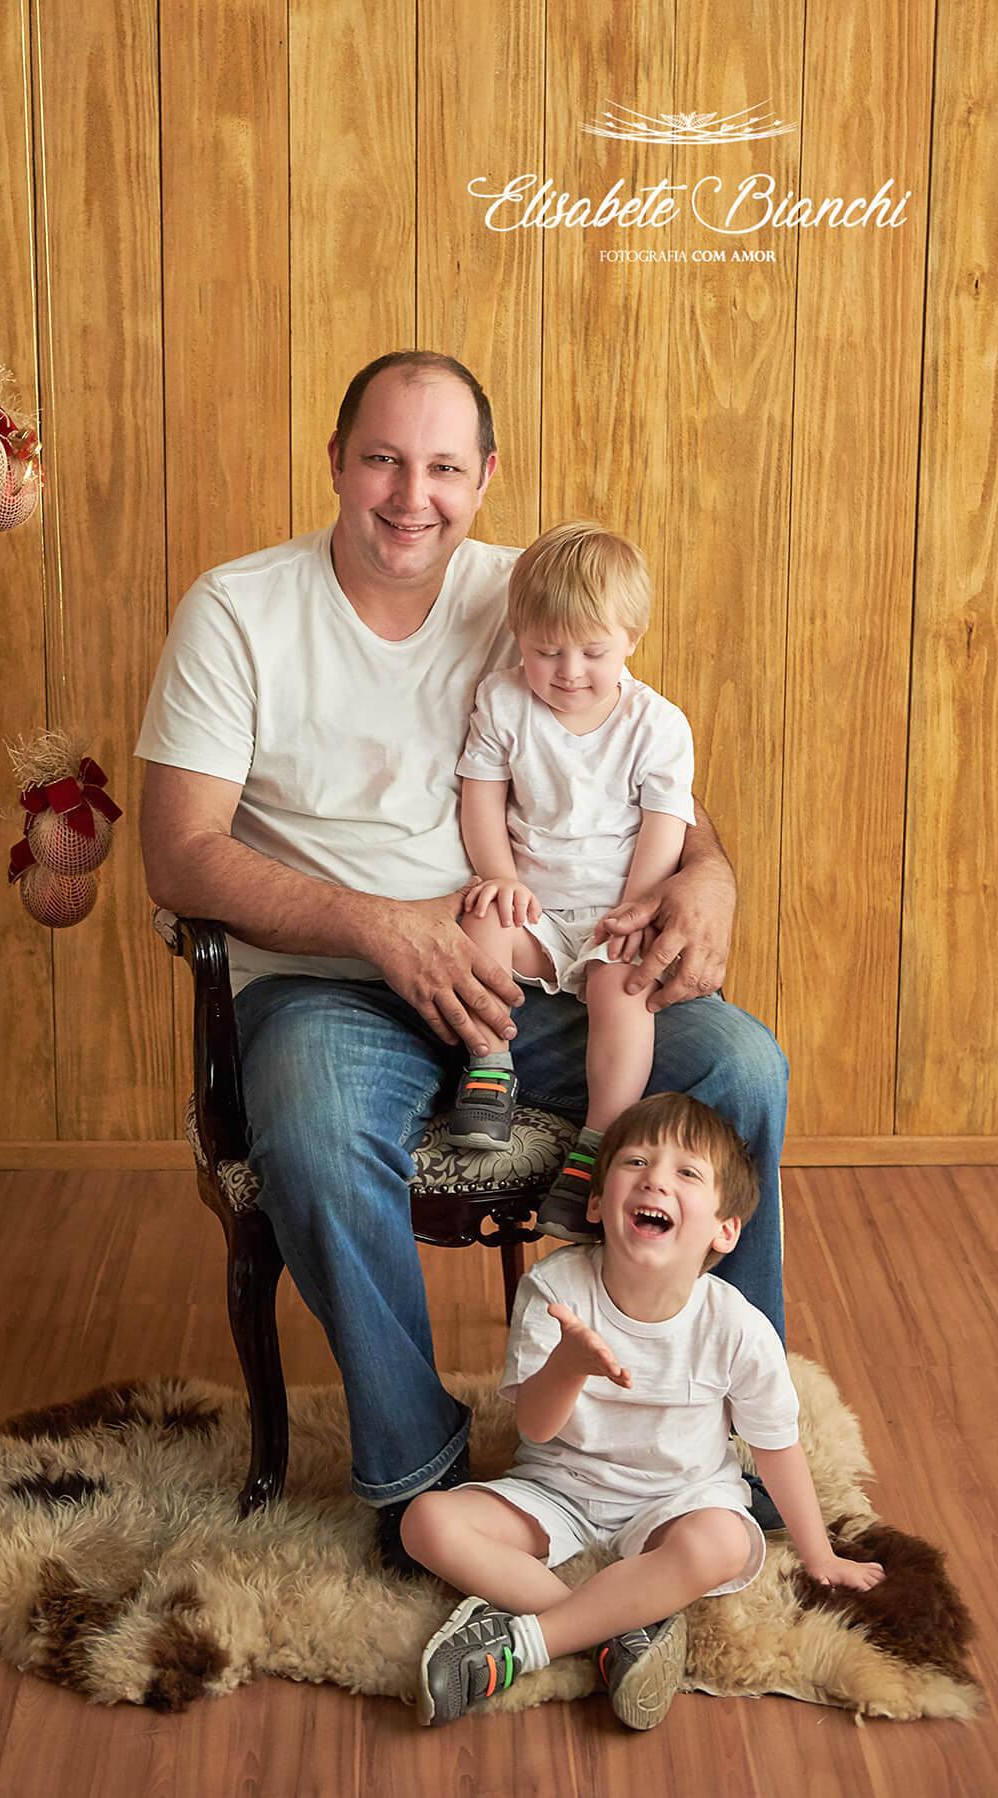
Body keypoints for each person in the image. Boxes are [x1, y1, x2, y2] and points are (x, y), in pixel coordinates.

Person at [136, 349, 788, 1573]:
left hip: (536, 974)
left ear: (485, 478)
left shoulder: (529, 592)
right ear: (338, 461)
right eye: (383, 460)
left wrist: (711, 876)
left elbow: (644, 775)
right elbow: (178, 854)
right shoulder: (237, 611)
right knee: (315, 1124)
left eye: (442, 467)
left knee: (740, 1067)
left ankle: (714, 1437)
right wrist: (384, 927)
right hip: (331, 988)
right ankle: (417, 1475)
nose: (410, 496)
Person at [404, 1092, 884, 1731]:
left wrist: (819, 1555)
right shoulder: (555, 1290)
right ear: (597, 1203)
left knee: (721, 1542)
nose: (655, 1178)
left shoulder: (737, 1327)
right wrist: (569, 1365)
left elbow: (776, 1446)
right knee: (426, 1522)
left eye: (687, 1172)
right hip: (559, 1490)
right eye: (635, 1162)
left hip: (678, 1497)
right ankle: (613, 1630)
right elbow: (535, 1427)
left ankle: (531, 1643)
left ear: (725, 1229)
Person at [445, 521, 696, 1244]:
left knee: (626, 987)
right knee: (480, 919)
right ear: (518, 636)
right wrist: (499, 877)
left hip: (614, 912)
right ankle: (490, 1065)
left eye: (593, 652)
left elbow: (664, 827)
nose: (568, 671)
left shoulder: (656, 725)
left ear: (632, 640)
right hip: (536, 912)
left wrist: (637, 910)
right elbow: (481, 799)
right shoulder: (503, 701)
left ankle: (599, 1140)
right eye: (546, 651)